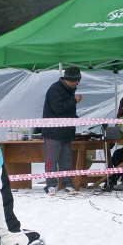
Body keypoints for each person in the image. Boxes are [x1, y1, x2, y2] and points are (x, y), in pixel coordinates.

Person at [41, 66, 82, 195]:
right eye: (77, 81)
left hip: (66, 132)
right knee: (51, 160)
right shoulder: (55, 89)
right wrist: (74, 101)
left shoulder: (69, 90)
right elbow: (58, 108)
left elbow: (66, 110)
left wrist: (75, 119)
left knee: (66, 160)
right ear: (70, 80)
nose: (78, 84)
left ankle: (68, 184)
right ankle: (51, 185)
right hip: (53, 132)